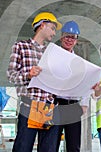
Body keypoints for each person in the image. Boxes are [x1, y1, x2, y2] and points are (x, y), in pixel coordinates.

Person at [7, 12, 62, 152]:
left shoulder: (52, 53)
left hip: (49, 108)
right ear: (42, 25)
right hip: (29, 105)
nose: (54, 33)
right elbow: (11, 75)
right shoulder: (20, 46)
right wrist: (28, 75)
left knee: (49, 149)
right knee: (23, 148)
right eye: (53, 28)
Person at [54, 21, 89, 152]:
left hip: (74, 106)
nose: (69, 40)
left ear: (76, 40)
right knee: (51, 144)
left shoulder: (79, 62)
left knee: (74, 145)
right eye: (67, 36)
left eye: (73, 37)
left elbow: (87, 81)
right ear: (62, 36)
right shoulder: (53, 56)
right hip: (56, 105)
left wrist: (84, 104)